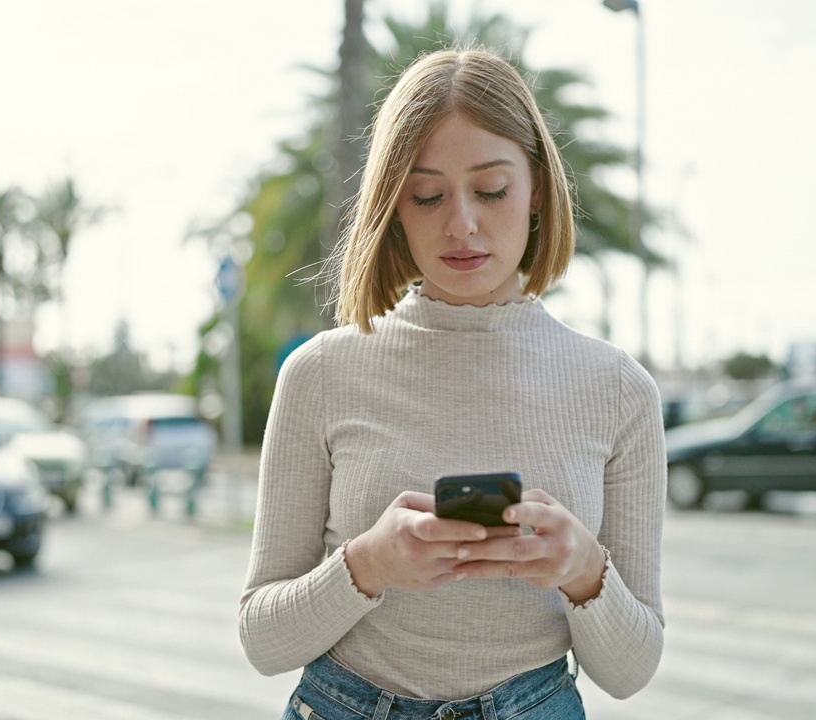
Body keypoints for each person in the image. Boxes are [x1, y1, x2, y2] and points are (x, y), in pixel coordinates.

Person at [240, 46, 666, 719]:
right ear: (394, 208)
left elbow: (632, 671)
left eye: (492, 189)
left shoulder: (619, 390)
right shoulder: (320, 373)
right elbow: (262, 640)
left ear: (535, 192)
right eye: (427, 194)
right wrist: (368, 566)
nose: (461, 223)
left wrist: (583, 569)